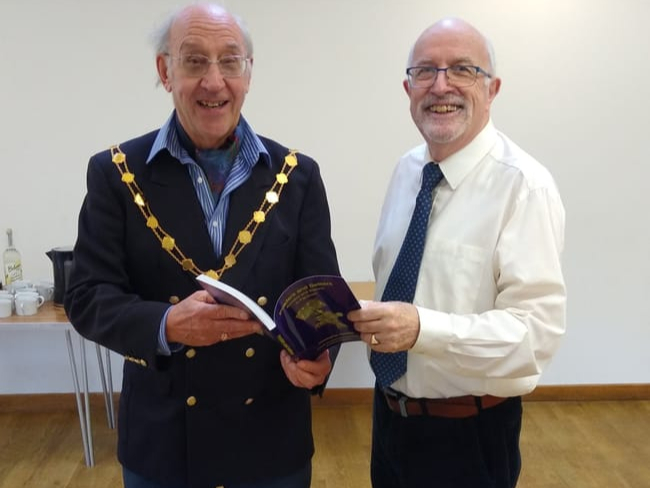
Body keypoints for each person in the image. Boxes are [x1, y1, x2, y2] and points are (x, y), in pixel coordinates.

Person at [64, 4, 340, 488]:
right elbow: (88, 296)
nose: (214, 82)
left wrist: (320, 360)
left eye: (230, 61)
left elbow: (319, 296)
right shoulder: (114, 173)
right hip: (164, 445)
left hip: (271, 442)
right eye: (194, 61)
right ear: (164, 71)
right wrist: (167, 323)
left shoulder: (298, 175)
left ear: (249, 72)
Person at [348, 17, 566, 488]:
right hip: (389, 417)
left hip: (469, 435)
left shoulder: (524, 187)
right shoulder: (407, 171)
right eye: (425, 71)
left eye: (463, 69)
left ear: (493, 89)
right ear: (408, 88)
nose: (441, 85)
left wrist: (423, 329)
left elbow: (534, 337)